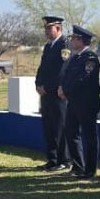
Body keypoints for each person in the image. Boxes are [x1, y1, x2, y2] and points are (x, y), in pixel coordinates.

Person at [59, 25, 100, 179]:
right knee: (71, 133)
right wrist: (62, 87)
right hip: (73, 102)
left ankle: (90, 170)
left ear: (82, 40)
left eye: (75, 39)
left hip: (86, 103)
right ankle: (77, 167)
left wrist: (66, 90)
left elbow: (83, 79)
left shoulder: (90, 57)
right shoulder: (75, 57)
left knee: (89, 136)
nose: (72, 41)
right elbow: (67, 76)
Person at [35, 15, 69, 172]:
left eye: (50, 28)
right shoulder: (48, 46)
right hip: (46, 94)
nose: (47, 32)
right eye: (46, 29)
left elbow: (61, 72)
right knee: (48, 127)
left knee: (60, 127)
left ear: (59, 29)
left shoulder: (64, 45)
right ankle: (52, 159)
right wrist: (38, 84)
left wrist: (47, 87)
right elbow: (42, 68)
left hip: (58, 94)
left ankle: (64, 160)